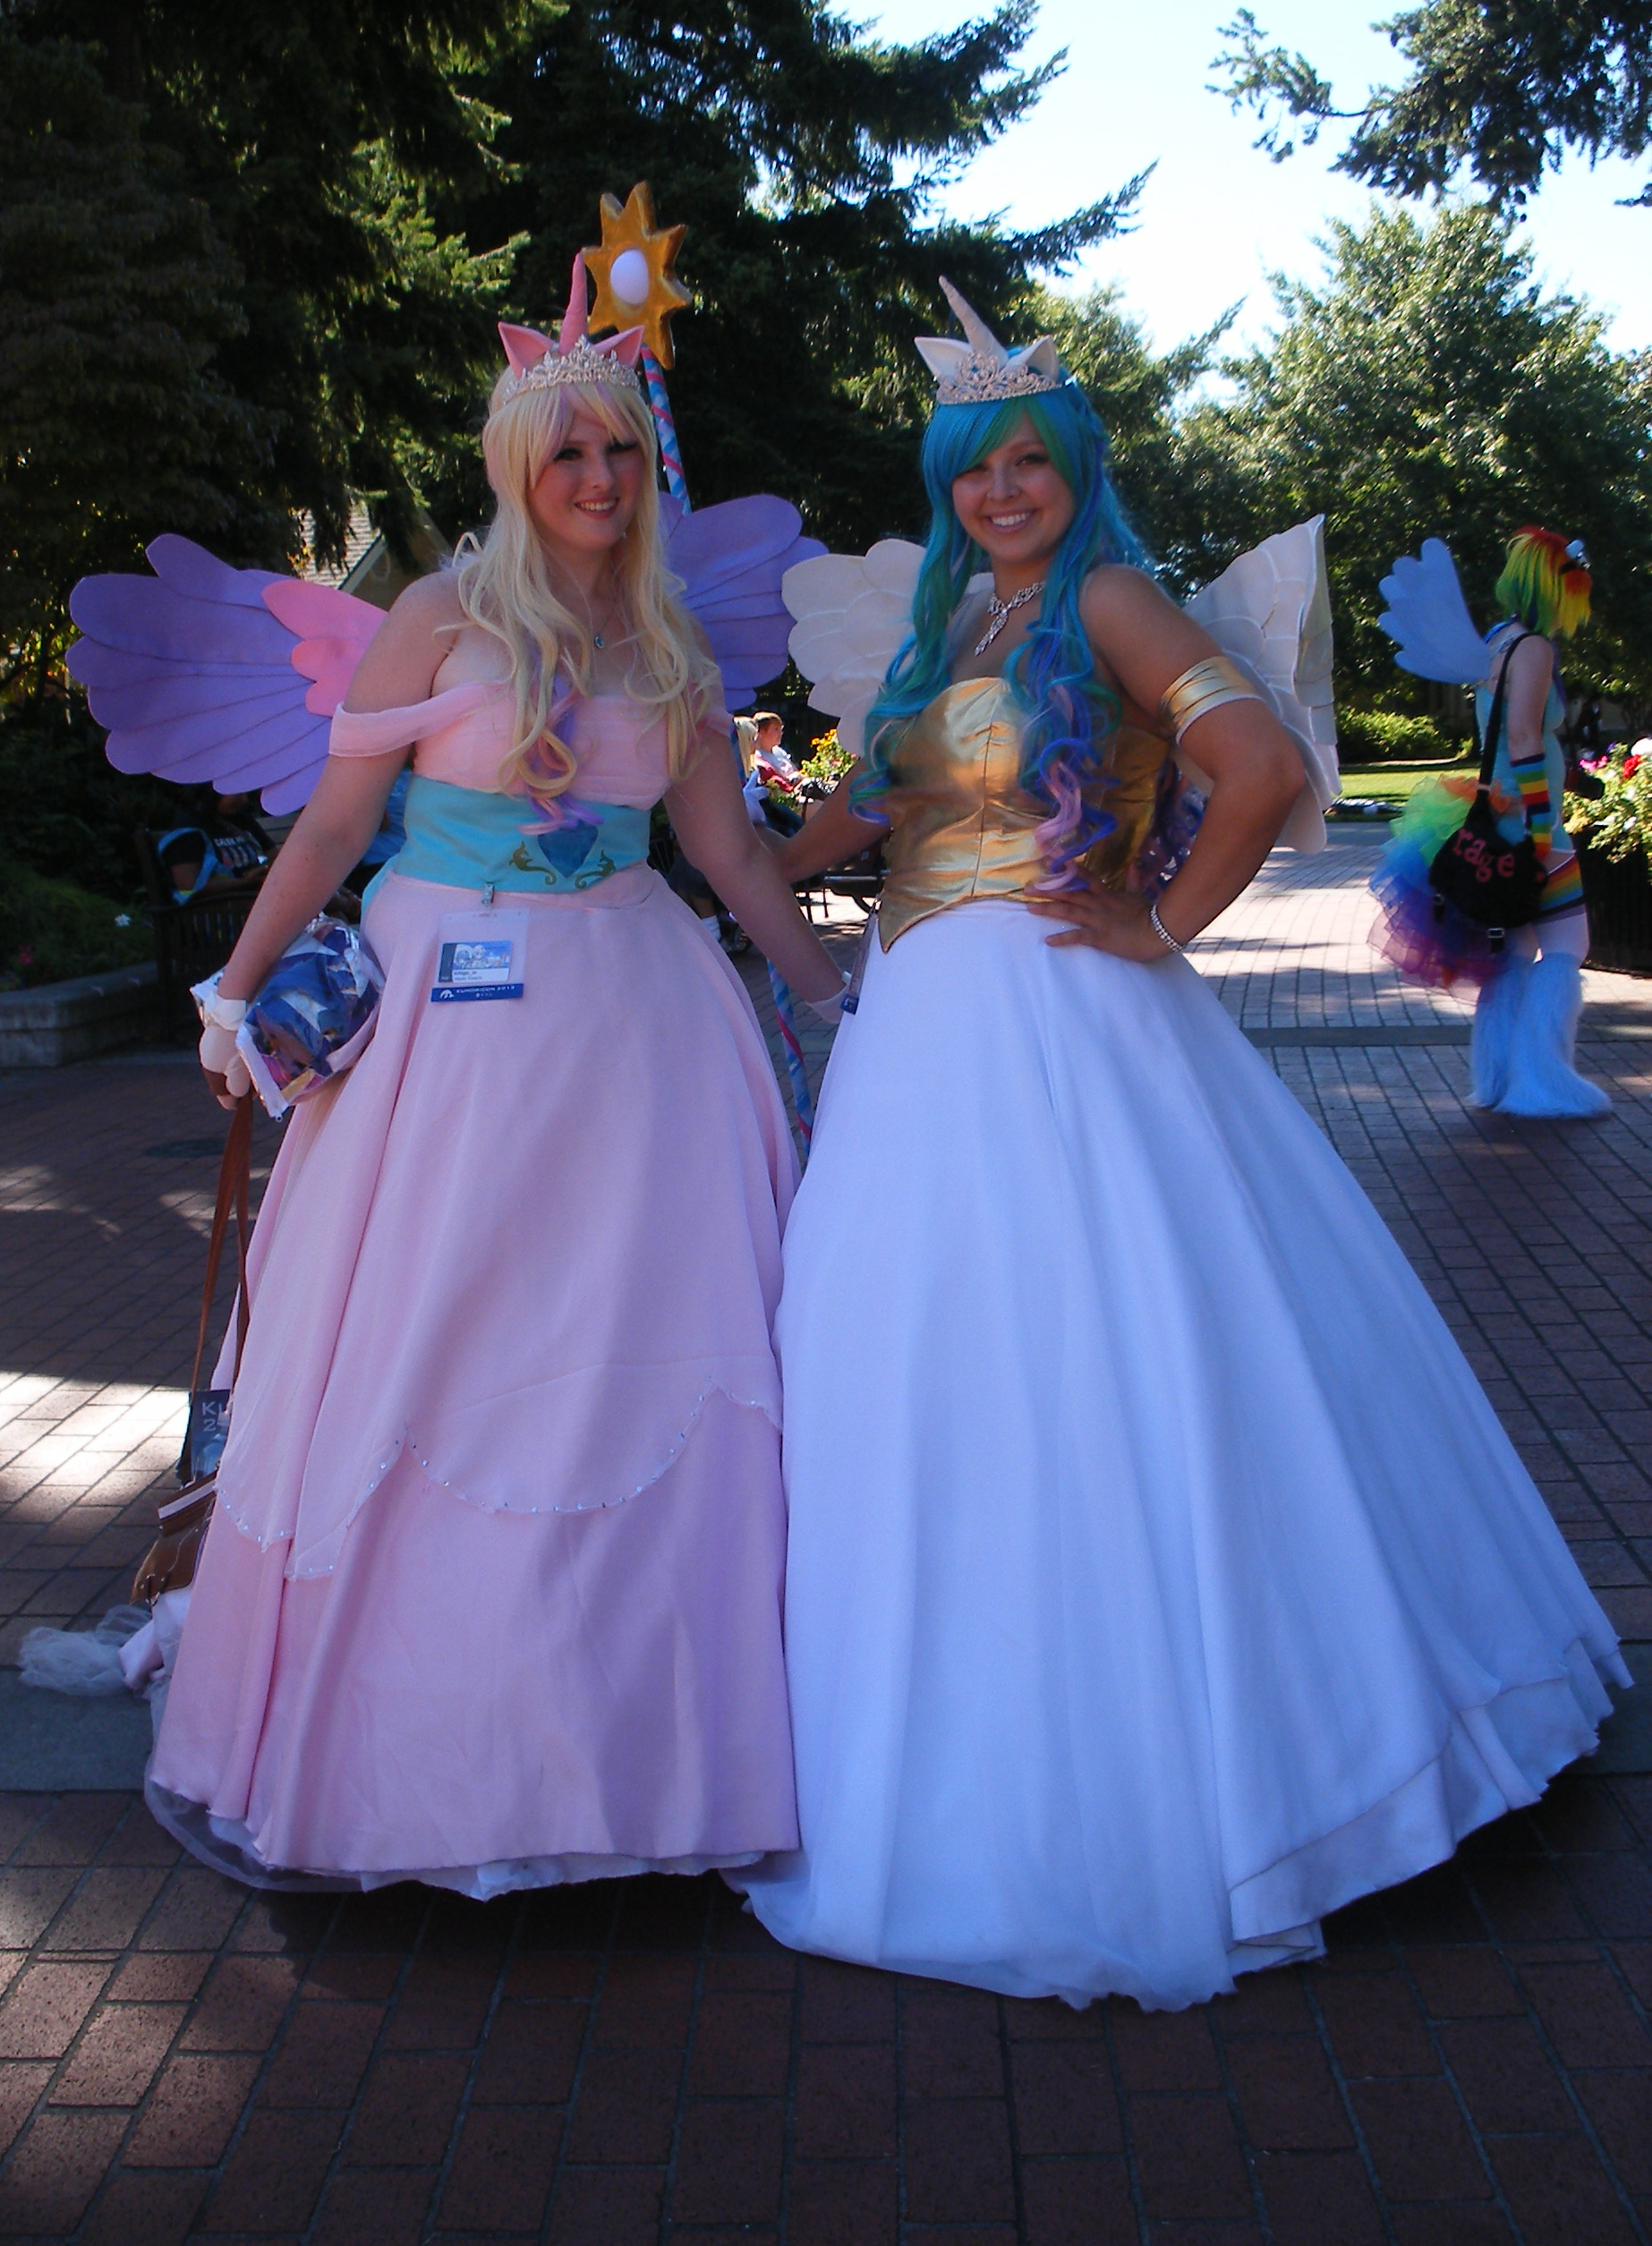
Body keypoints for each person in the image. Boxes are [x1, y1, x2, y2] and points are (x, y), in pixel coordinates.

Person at [741, 285, 1626, 2011]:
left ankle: (1199, 1767)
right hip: (917, 1032)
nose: (1001, 489)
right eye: (972, 466)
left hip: (1060, 1023)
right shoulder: (960, 616)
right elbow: (874, 805)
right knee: (914, 1354)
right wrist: (729, 837)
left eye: (1027, 460)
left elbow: (1258, 764)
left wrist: (1161, 925)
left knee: (1090, 1350)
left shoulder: (1108, 598)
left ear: (1074, 468)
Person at [147, 265, 847, 1895]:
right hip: (449, 1038)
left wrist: (839, 1005)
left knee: (644, 1340)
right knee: (438, 1331)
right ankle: (423, 1757)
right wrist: (236, 988)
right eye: (565, 454)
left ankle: (642, 1753)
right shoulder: (440, 613)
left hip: (638, 1033)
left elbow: (728, 857)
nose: (597, 479)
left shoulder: (670, 639)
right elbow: (333, 824)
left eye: (619, 451)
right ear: (516, 469)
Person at [1374, 532, 1608, 1119]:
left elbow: (1505, 733)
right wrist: (1540, 824)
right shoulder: (1533, 648)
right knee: (1567, 948)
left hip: (1498, 814)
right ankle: (1544, 1082)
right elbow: (1524, 736)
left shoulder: (1497, 640)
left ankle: (1500, 1077)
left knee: (1516, 951)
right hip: (1529, 821)